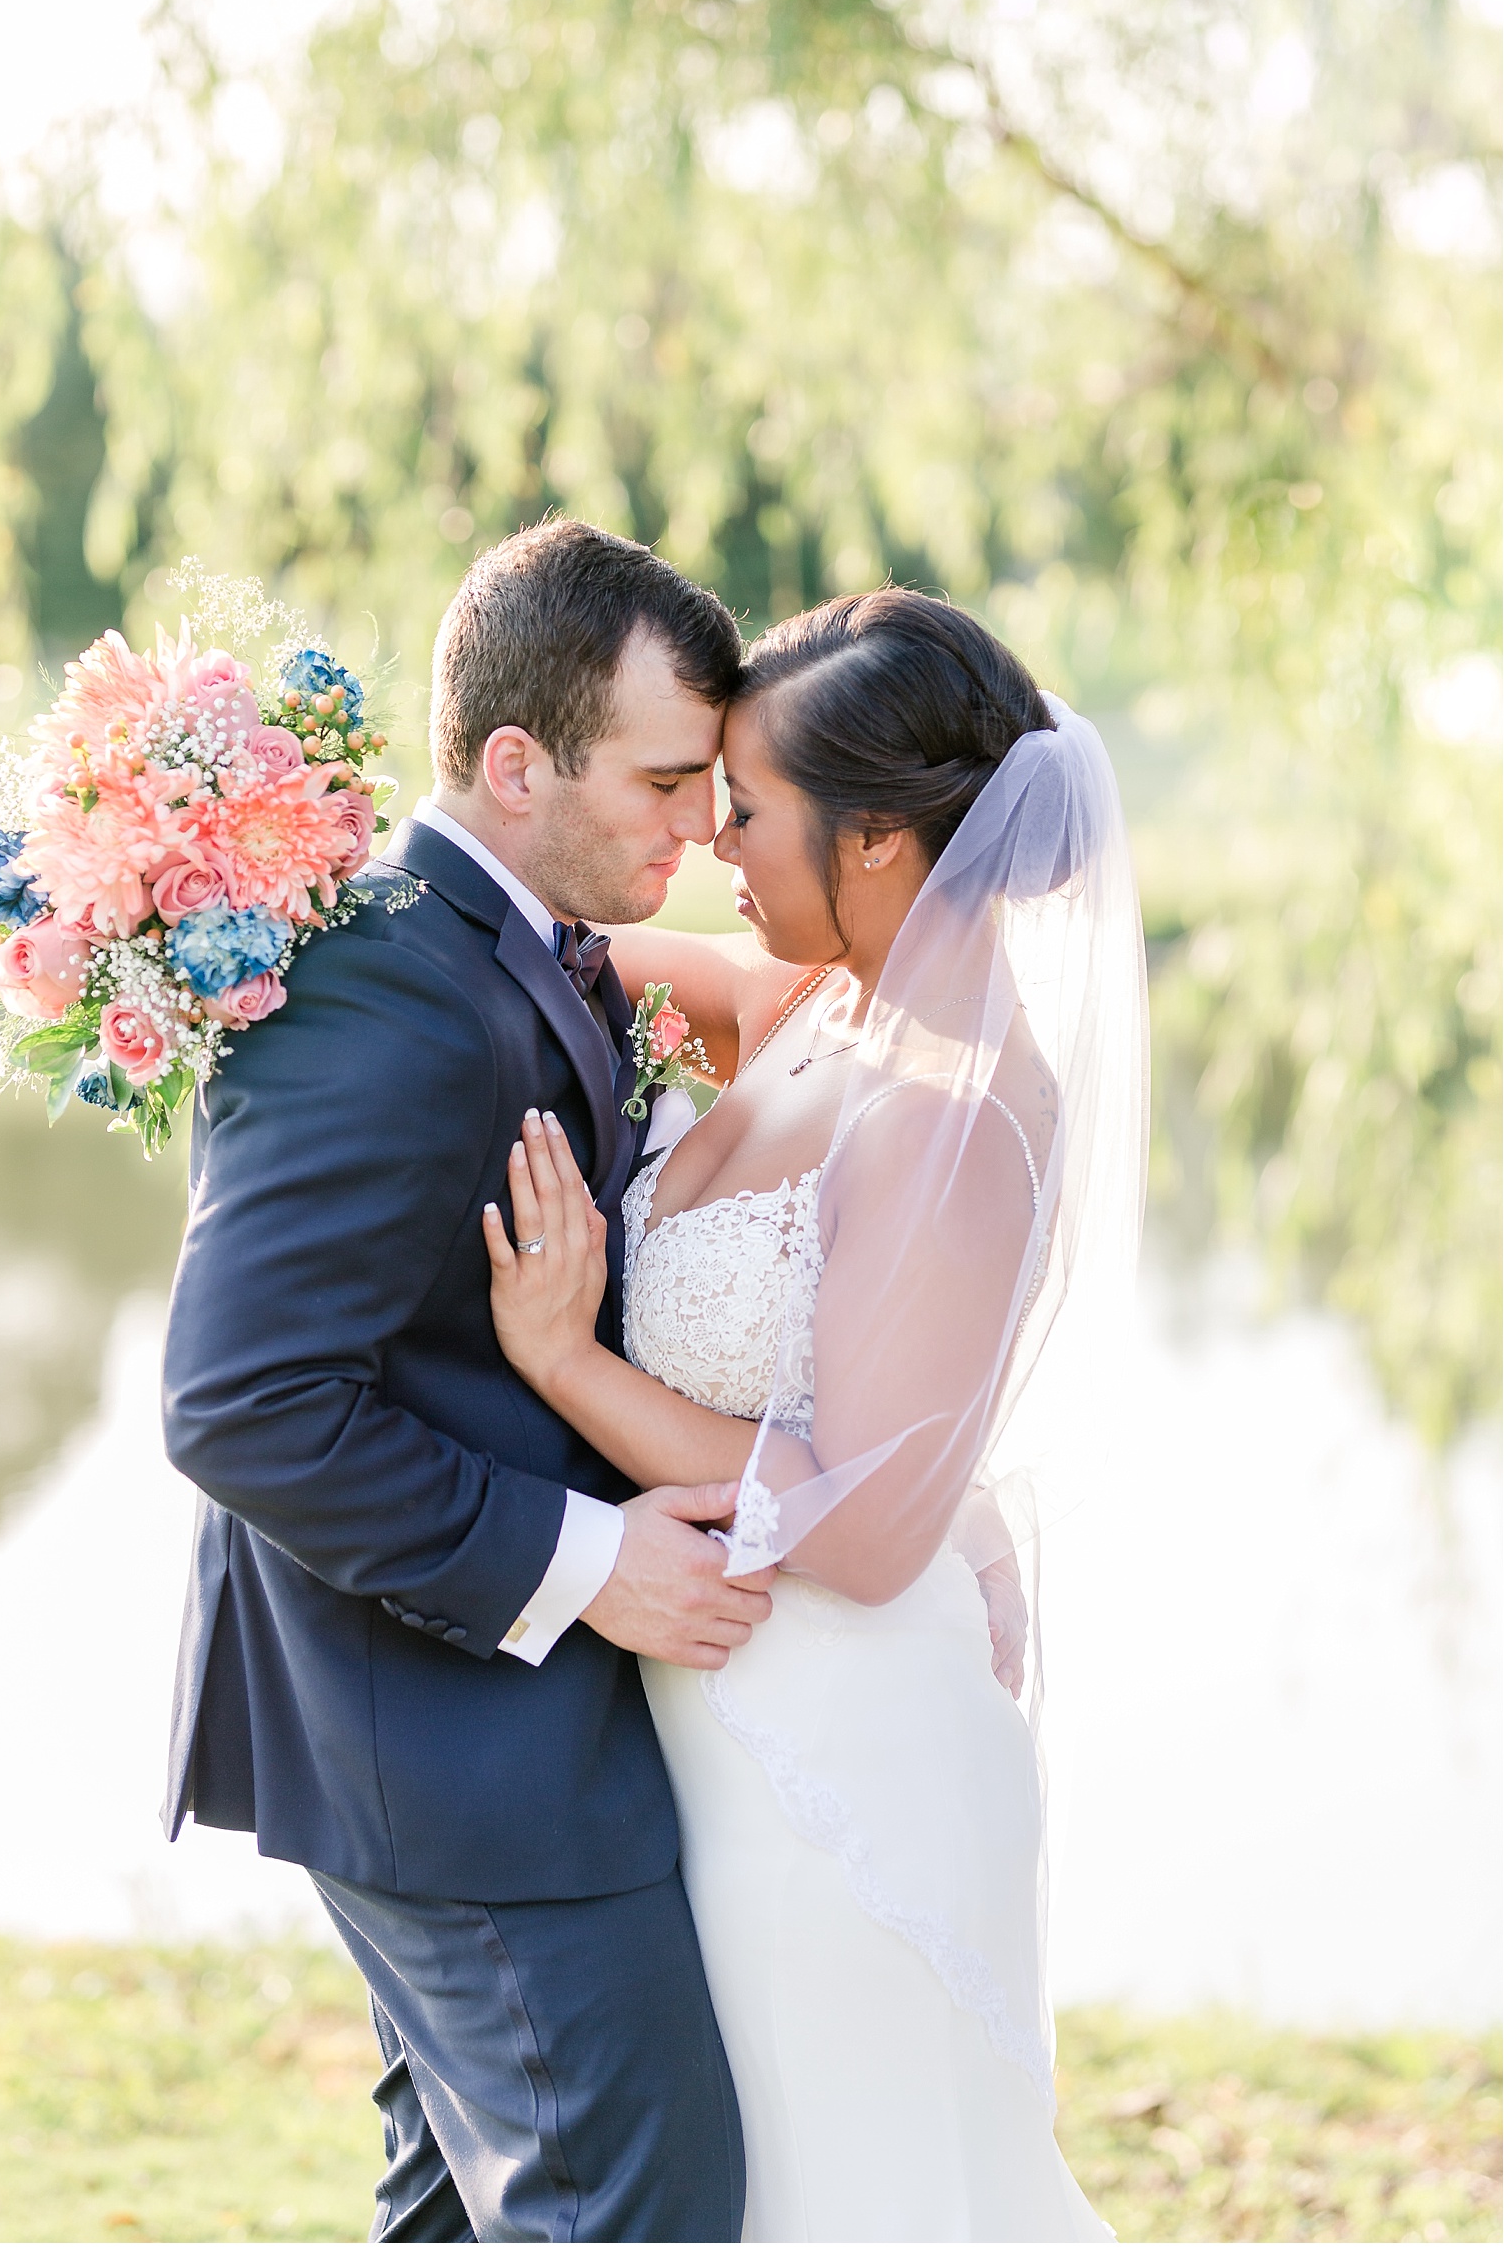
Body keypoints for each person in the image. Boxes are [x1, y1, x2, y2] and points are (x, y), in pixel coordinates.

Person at [483, 589, 1147, 2242]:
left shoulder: (963, 1115)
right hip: (715, 1722)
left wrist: (572, 1362)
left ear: (874, 845)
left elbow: (862, 1522)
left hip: (844, 1765)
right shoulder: (812, 1008)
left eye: (751, 806)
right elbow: (521, 931)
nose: (712, 836)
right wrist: (224, 877)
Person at [161, 518, 771, 2243]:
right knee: (639, 2209)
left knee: (458, 2215)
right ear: (517, 764)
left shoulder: (506, 944)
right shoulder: (382, 987)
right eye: (664, 781)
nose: (697, 826)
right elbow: (239, 1401)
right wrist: (590, 1562)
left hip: (470, 1749)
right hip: (458, 1766)